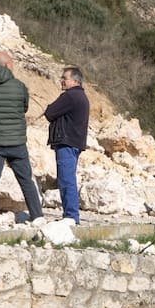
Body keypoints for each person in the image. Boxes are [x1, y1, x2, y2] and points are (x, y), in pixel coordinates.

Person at [0, 50, 43, 229]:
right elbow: (24, 107)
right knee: (26, 179)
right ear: (7, 65)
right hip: (16, 141)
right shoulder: (19, 86)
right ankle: (37, 216)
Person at [43, 65, 90, 224]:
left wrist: (49, 108)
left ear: (75, 80)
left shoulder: (70, 96)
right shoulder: (81, 96)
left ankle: (71, 216)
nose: (62, 81)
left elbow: (50, 113)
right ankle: (70, 215)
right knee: (68, 178)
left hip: (67, 143)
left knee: (66, 180)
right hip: (75, 143)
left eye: (64, 78)